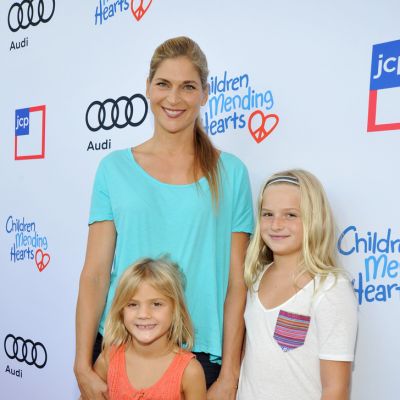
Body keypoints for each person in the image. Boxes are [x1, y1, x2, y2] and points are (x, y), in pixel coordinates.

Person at [74, 36, 253, 400]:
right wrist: (81, 363)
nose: (174, 98)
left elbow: (238, 283)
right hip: (118, 348)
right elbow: (94, 274)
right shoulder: (113, 169)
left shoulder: (231, 173)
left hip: (199, 354)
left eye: (188, 86)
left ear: (205, 94)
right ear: (147, 87)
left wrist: (230, 375)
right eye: (163, 84)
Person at [236, 170, 358, 400]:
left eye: (290, 215)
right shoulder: (255, 278)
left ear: (314, 219)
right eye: (268, 214)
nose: (276, 224)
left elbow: (336, 389)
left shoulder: (330, 289)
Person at [93, 258, 206, 400]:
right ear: (121, 311)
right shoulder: (108, 360)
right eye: (133, 304)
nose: (143, 314)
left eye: (156, 304)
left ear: (176, 310)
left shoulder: (190, 371)